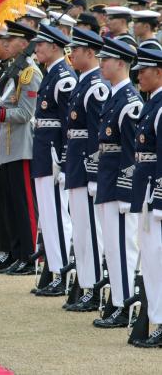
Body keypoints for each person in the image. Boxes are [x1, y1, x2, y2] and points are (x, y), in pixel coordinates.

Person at [0, 21, 42, 275]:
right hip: (7, 146)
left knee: (24, 205)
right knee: (11, 205)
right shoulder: (13, 71)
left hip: (22, 147)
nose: (7, 43)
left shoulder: (30, 73)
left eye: (13, 40)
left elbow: (26, 113)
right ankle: (17, 253)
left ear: (25, 44)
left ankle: (29, 256)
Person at [93, 38, 143, 328]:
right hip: (106, 179)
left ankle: (125, 305)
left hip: (119, 185)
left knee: (123, 246)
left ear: (121, 63)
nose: (102, 64)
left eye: (106, 59)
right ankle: (117, 301)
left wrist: (126, 190)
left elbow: (131, 152)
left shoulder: (130, 102)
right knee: (112, 245)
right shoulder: (114, 97)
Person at [64, 28, 109, 312]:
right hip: (75, 164)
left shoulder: (96, 86)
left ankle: (93, 288)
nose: (72, 55)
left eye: (76, 51)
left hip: (86, 166)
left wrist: (94, 173)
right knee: (81, 229)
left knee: (91, 231)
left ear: (90, 53)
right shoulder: (84, 82)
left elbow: (96, 134)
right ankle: (85, 281)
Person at [31, 24, 76, 296]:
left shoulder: (63, 77)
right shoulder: (51, 73)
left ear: (55, 47)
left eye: (41, 45)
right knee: (48, 214)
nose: (36, 48)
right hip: (43, 149)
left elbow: (69, 125)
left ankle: (62, 271)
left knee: (58, 214)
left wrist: (64, 159)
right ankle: (54, 266)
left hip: (53, 155)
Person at [131, 48, 162, 348]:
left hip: (155, 196)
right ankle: (155, 320)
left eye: (145, 70)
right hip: (145, 192)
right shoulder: (151, 104)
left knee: (157, 260)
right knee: (150, 262)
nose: (139, 75)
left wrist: (160, 202)